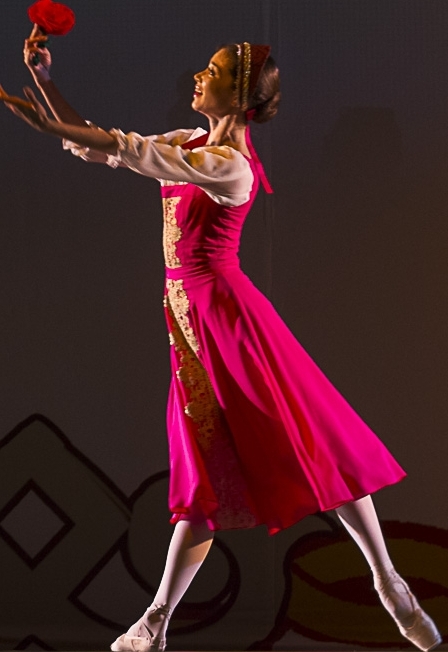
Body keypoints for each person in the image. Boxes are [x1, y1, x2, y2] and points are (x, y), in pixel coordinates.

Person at [0, 31, 441, 652]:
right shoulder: (189, 141)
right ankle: (155, 623)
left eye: (211, 71)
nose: (198, 77)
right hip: (189, 329)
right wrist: (47, 84)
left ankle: (388, 581)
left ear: (239, 94)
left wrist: (51, 123)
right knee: (205, 473)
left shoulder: (230, 166)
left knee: (309, 437)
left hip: (230, 323)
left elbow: (131, 151)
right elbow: (106, 146)